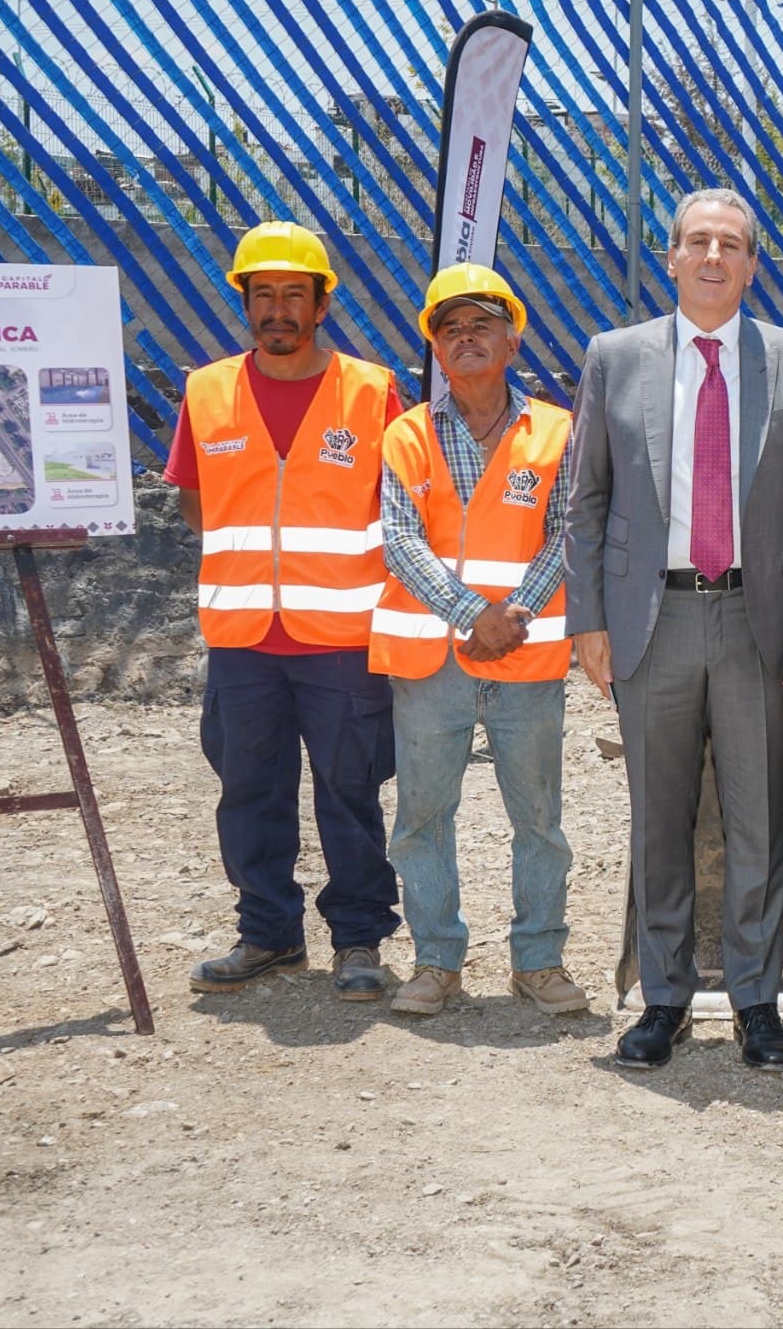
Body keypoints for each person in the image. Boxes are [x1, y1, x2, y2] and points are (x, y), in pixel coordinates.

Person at [563, 188, 783, 1073]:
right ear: (672, 257)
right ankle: (665, 1000)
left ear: (752, 263)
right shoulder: (616, 357)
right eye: (698, 242)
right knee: (661, 820)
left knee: (758, 820)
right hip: (655, 622)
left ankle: (757, 1002)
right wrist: (588, 622)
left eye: (732, 244)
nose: (715, 256)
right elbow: (587, 499)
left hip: (757, 623)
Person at [170, 221, 402, 1001]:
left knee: (349, 789)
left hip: (340, 637)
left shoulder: (370, 392)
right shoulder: (205, 391)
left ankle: (359, 936)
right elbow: (198, 506)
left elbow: (399, 510)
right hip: (242, 637)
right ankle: (268, 932)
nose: (277, 310)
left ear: (321, 303)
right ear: (245, 301)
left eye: (292, 295)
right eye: (262, 294)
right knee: (248, 789)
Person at [368, 265, 585, 1019]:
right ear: (434, 345)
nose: (464, 339)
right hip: (431, 660)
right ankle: (435, 961)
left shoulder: (556, 430)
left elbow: (571, 530)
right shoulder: (407, 434)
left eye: (480, 325)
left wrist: (515, 613)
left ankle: (540, 960)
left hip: (526, 658)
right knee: (423, 815)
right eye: (448, 328)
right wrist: (470, 613)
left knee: (539, 819)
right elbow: (399, 539)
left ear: (512, 338)